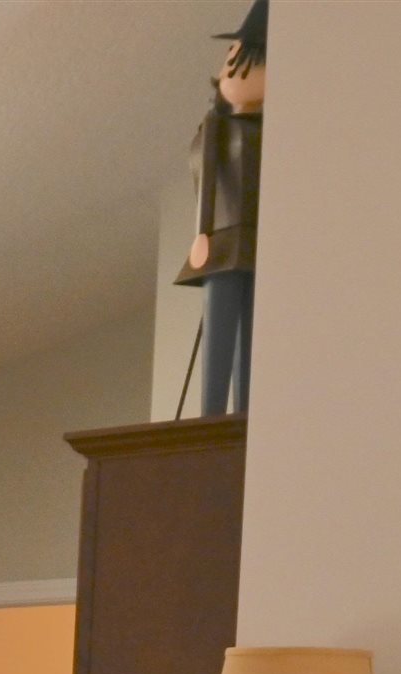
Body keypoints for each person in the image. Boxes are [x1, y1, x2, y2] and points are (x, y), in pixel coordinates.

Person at [179, 0, 265, 416]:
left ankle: (244, 411)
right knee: (219, 325)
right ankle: (210, 413)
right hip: (221, 237)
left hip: (256, 240)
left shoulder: (268, 133)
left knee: (252, 327)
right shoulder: (216, 127)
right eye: (236, 59)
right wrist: (202, 232)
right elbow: (206, 176)